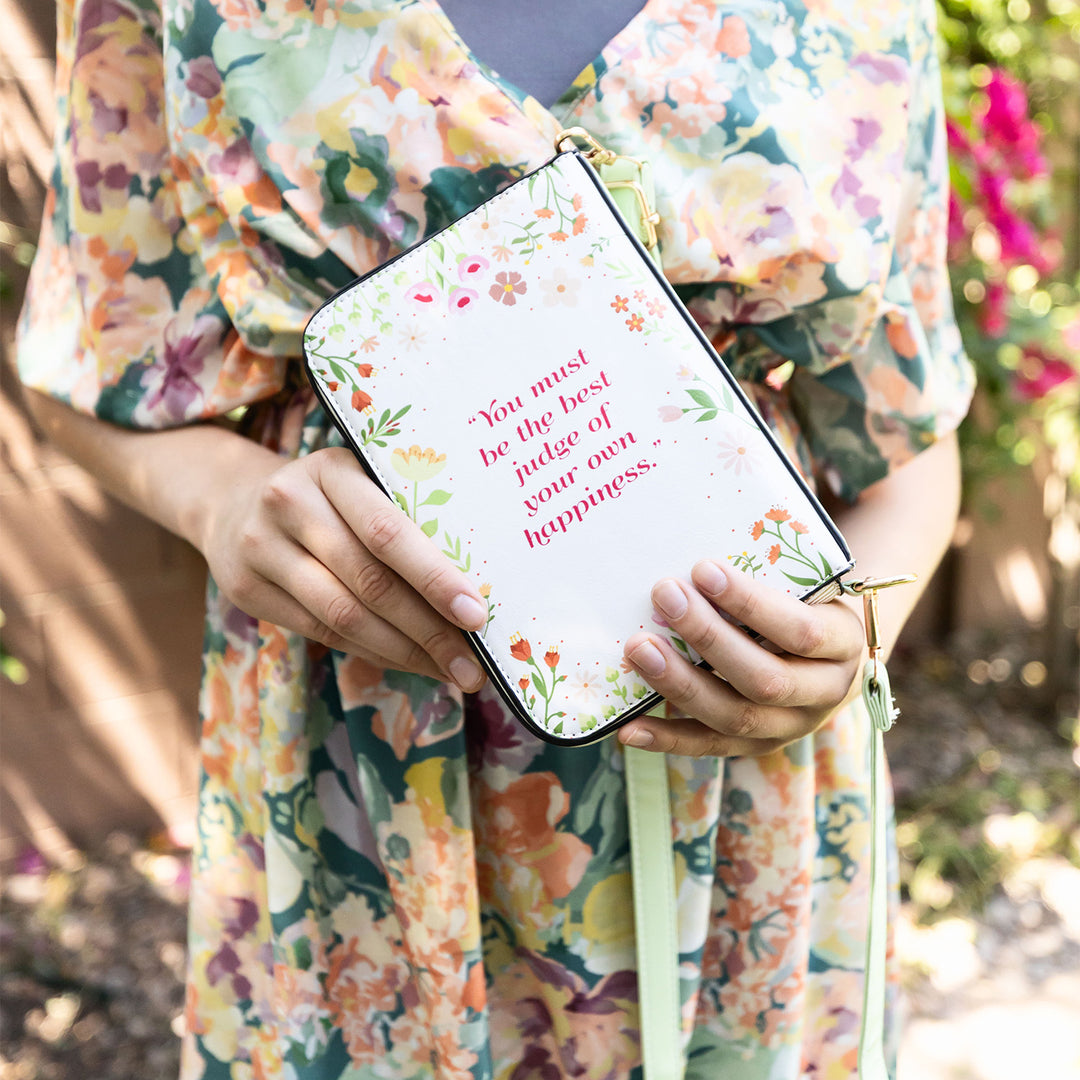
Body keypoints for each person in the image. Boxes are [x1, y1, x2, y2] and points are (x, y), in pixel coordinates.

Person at [18, 0, 972, 1076]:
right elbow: (89, 358)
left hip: (744, 797)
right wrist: (222, 502)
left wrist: (857, 633)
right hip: (357, 787)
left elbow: (907, 443)